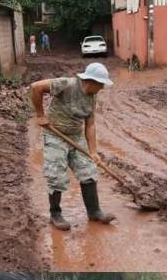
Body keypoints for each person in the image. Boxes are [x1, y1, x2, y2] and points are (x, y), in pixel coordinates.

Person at [31, 62, 116, 230]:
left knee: (88, 171)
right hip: (55, 134)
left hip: (76, 137)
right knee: (56, 174)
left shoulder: (92, 97)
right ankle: (55, 215)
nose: (102, 88)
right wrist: (40, 115)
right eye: (100, 84)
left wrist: (93, 151)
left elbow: (90, 125)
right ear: (91, 81)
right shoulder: (67, 84)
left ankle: (94, 212)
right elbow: (36, 87)